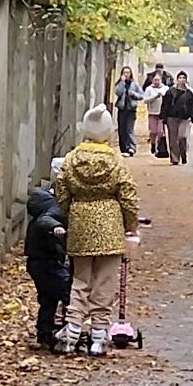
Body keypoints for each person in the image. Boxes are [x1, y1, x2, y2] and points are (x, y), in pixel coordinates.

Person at [54, 106, 140, 356]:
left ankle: (72, 328)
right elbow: (128, 196)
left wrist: (72, 212)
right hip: (110, 228)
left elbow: (61, 192)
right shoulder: (115, 161)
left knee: (80, 279)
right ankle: (99, 334)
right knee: (105, 281)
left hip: (80, 225)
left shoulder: (72, 159)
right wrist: (130, 225)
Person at [25, 185, 72, 350]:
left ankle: (45, 331)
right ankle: (65, 329)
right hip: (47, 263)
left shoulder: (43, 208)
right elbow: (46, 221)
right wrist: (56, 228)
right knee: (66, 293)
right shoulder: (52, 210)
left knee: (48, 299)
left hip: (39, 262)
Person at [160, 71, 193, 165]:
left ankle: (183, 153)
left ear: (186, 80)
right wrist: (163, 117)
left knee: (182, 136)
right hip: (172, 117)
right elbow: (165, 105)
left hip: (185, 118)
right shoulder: (170, 92)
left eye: (183, 78)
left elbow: (192, 106)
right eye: (180, 78)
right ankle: (175, 158)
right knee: (173, 139)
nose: (182, 80)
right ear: (177, 79)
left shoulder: (189, 93)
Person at [112, 66, 139, 157]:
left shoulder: (134, 84)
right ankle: (123, 148)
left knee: (129, 129)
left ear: (131, 74)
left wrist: (134, 94)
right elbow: (117, 93)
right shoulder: (119, 84)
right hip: (122, 109)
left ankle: (131, 148)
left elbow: (141, 95)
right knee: (122, 129)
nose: (126, 74)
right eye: (124, 73)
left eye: (128, 73)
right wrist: (122, 83)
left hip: (131, 109)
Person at [141, 70, 169, 156]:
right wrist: (155, 96)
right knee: (153, 131)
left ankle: (159, 147)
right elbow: (145, 100)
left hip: (162, 113)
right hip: (152, 112)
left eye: (158, 80)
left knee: (160, 132)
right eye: (155, 80)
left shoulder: (165, 89)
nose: (157, 82)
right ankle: (153, 144)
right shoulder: (149, 89)